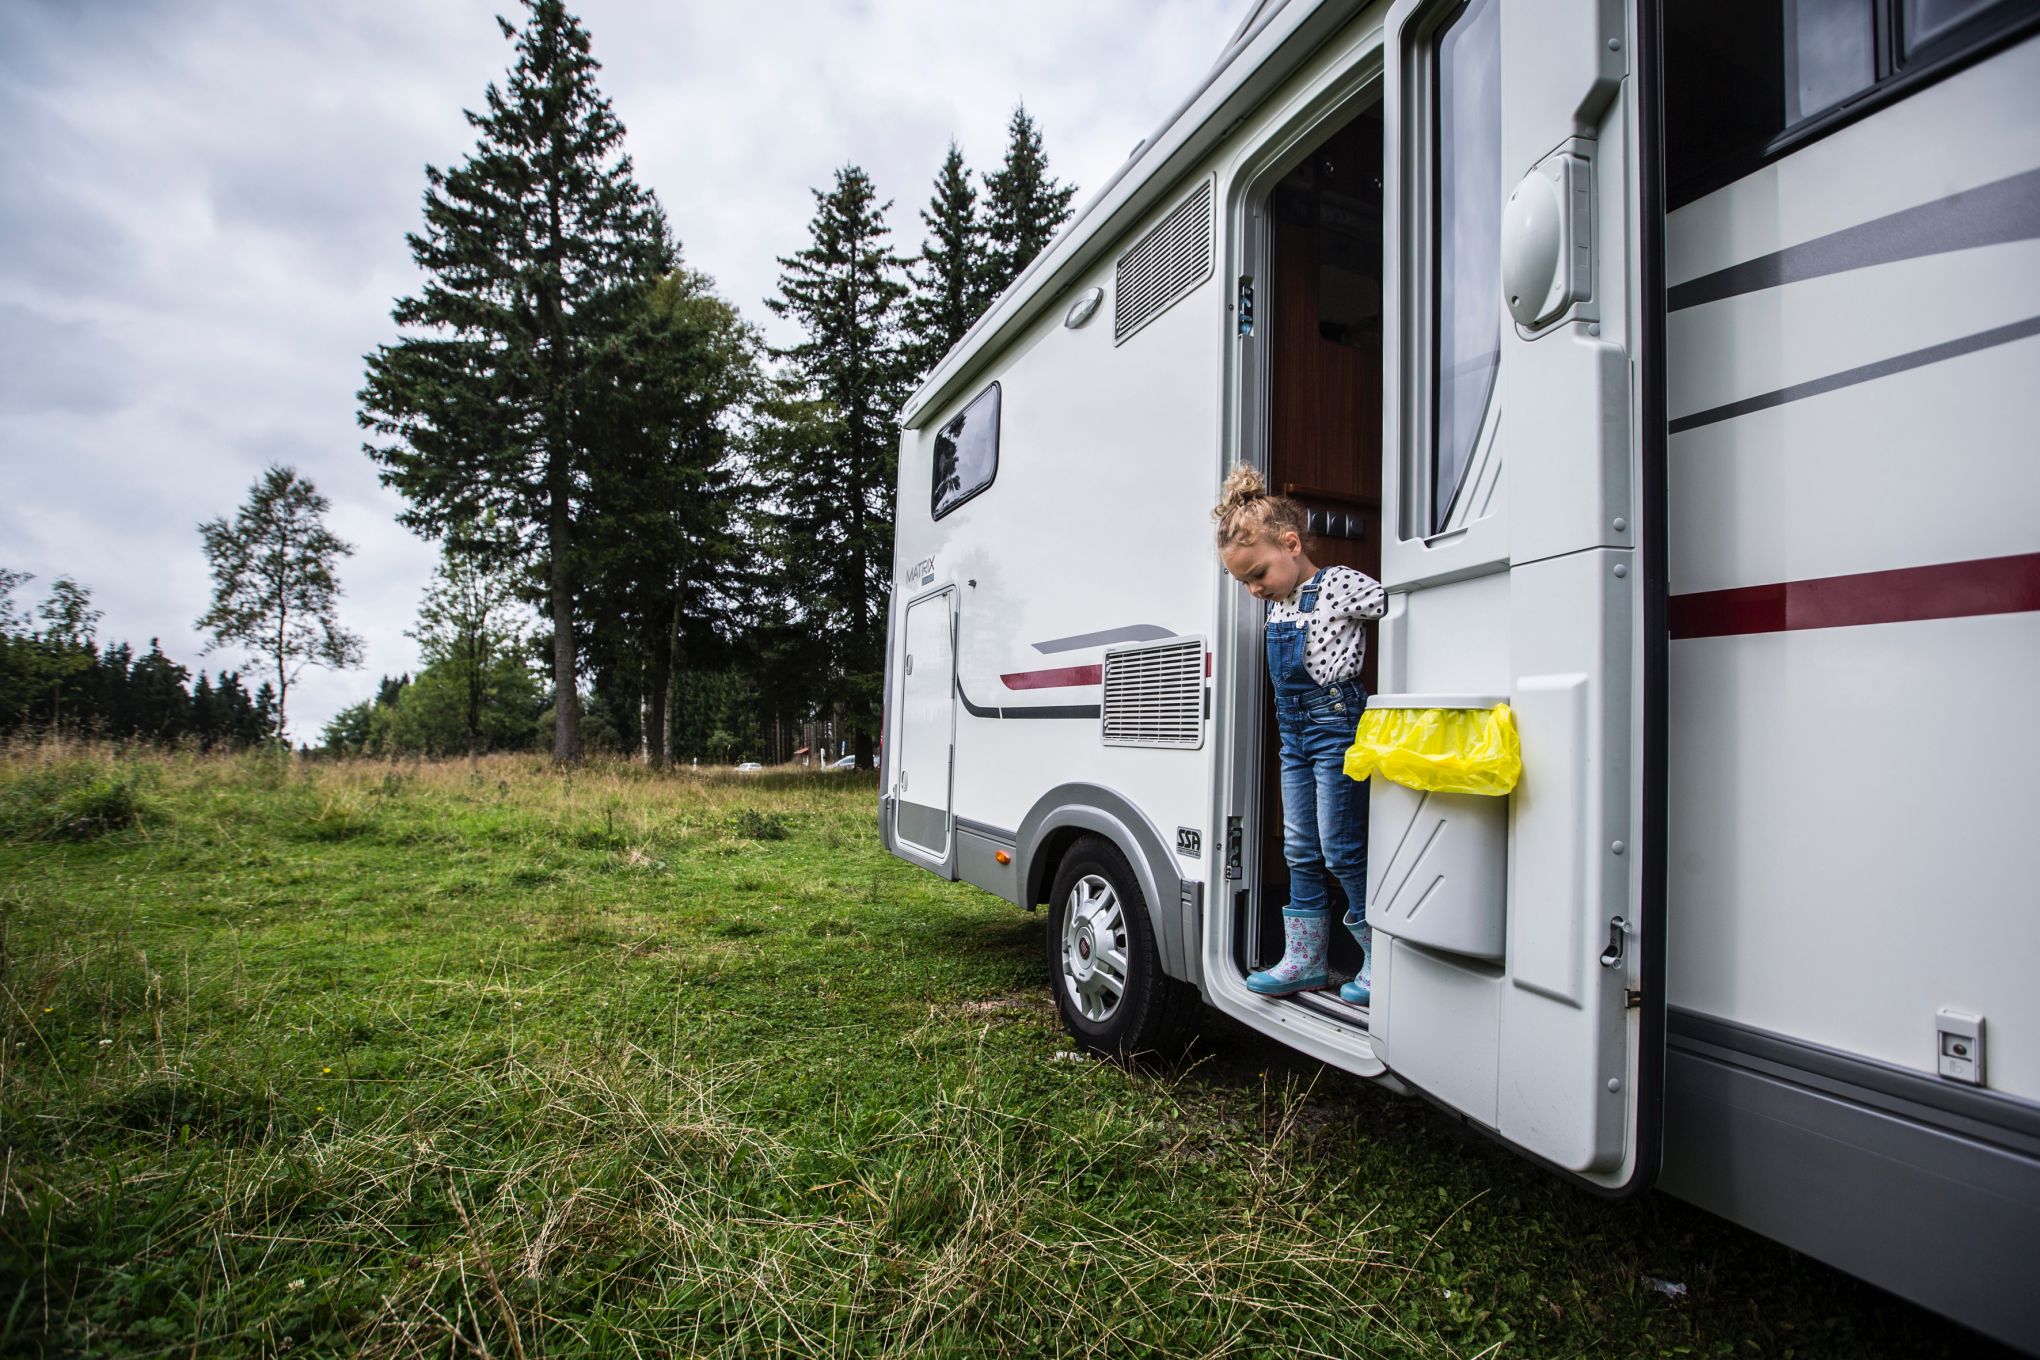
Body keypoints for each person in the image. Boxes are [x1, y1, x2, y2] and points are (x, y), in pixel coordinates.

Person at [1213, 465, 1385, 1006]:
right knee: (1300, 847)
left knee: (1342, 846)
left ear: (1291, 544)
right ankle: (1305, 959)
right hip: (1295, 738)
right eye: (1245, 583)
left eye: (1258, 574)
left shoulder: (1338, 585)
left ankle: (1380, 957)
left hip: (1337, 728)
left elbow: (1398, 604)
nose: (1255, 589)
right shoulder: (1279, 604)